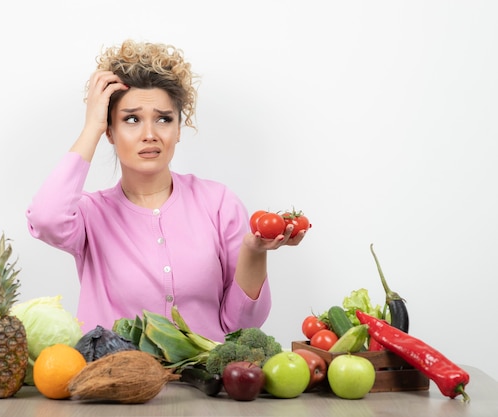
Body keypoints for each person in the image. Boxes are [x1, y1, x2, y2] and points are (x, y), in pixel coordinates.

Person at [26, 40, 306, 342]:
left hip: (202, 384)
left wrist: (253, 252)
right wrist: (91, 127)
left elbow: (241, 324)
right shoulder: (91, 214)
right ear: (110, 131)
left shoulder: (218, 203)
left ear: (178, 130)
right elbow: (45, 219)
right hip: (116, 383)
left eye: (163, 119)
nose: (150, 134)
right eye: (131, 119)